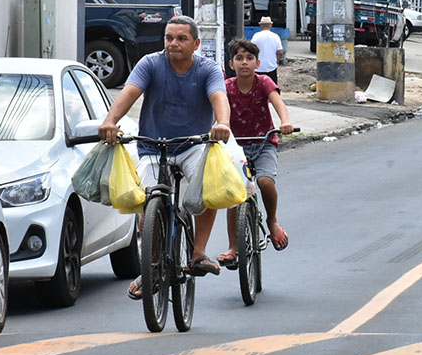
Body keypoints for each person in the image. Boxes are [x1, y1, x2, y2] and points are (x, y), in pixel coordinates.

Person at [98, 15, 231, 299]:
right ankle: (152, 268)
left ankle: (198, 253)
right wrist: (111, 120)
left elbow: (219, 96)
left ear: (196, 43)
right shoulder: (151, 64)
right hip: (152, 146)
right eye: (169, 38)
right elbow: (130, 92)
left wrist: (221, 123)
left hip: (193, 144)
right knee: (149, 205)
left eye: (181, 39)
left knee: (210, 188)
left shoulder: (208, 69)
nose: (174, 44)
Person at [217, 38, 294, 269]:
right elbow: (218, 109)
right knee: (234, 194)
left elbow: (278, 103)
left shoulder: (264, 83)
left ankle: (272, 221)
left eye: (249, 58)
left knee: (264, 181)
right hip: (235, 147)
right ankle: (233, 247)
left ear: (258, 63)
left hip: (264, 143)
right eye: (239, 58)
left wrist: (286, 122)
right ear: (231, 63)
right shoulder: (226, 87)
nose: (244, 63)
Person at [250, 16, 284, 84]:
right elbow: (280, 52)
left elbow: (251, 50)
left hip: (258, 67)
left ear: (261, 25)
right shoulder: (275, 36)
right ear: (271, 25)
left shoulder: (256, 36)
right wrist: (277, 61)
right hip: (271, 67)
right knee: (272, 89)